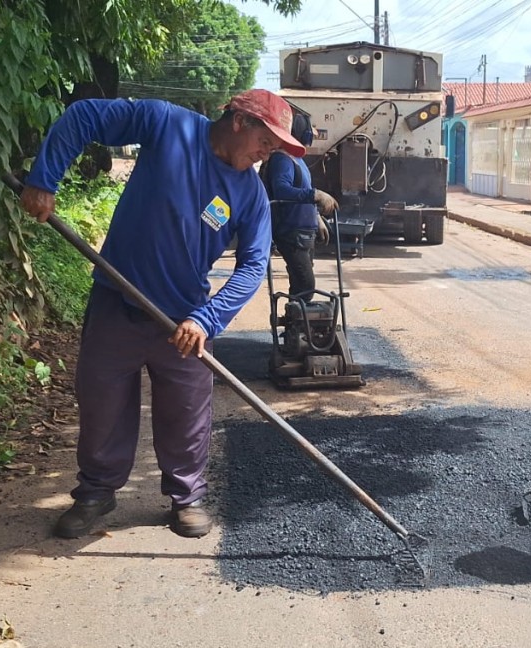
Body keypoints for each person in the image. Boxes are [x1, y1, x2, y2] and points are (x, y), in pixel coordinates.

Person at [19, 90, 306, 540]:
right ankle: (96, 491)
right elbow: (84, 116)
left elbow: (254, 265)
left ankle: (186, 497)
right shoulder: (167, 124)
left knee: (187, 413)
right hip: (118, 300)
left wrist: (207, 320)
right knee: (102, 403)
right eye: (267, 140)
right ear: (239, 122)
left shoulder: (250, 193)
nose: (269, 152)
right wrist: (44, 180)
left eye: (275, 147)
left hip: (185, 320)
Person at [262, 112, 338, 299]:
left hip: (304, 231)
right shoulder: (282, 160)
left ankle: (299, 324)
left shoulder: (297, 160)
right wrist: (315, 194)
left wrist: (316, 216)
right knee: (306, 285)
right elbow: (282, 190)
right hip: (290, 232)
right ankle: (296, 324)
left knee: (302, 285)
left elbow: (302, 189)